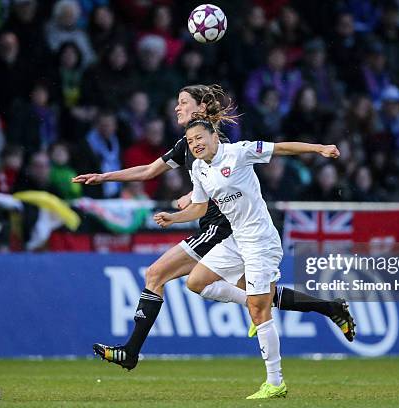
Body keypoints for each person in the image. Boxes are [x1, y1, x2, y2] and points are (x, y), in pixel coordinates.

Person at [72, 84, 355, 372]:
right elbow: (147, 171)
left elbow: (227, 175)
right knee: (260, 294)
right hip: (211, 225)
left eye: (183, 102)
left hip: (224, 228)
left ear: (202, 108)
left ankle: (131, 352)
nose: (177, 108)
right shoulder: (186, 145)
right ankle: (330, 308)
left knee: (156, 274)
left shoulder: (215, 143)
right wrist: (104, 177)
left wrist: (319, 148)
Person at [152, 114, 341, 398]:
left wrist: (318, 148)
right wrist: (174, 218)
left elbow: (281, 148)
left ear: (214, 136)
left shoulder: (238, 152)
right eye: (190, 141)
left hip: (260, 240)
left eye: (199, 138)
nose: (195, 145)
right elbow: (199, 209)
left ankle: (275, 382)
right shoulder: (200, 171)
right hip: (236, 239)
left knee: (259, 310)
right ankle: (255, 303)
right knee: (196, 282)